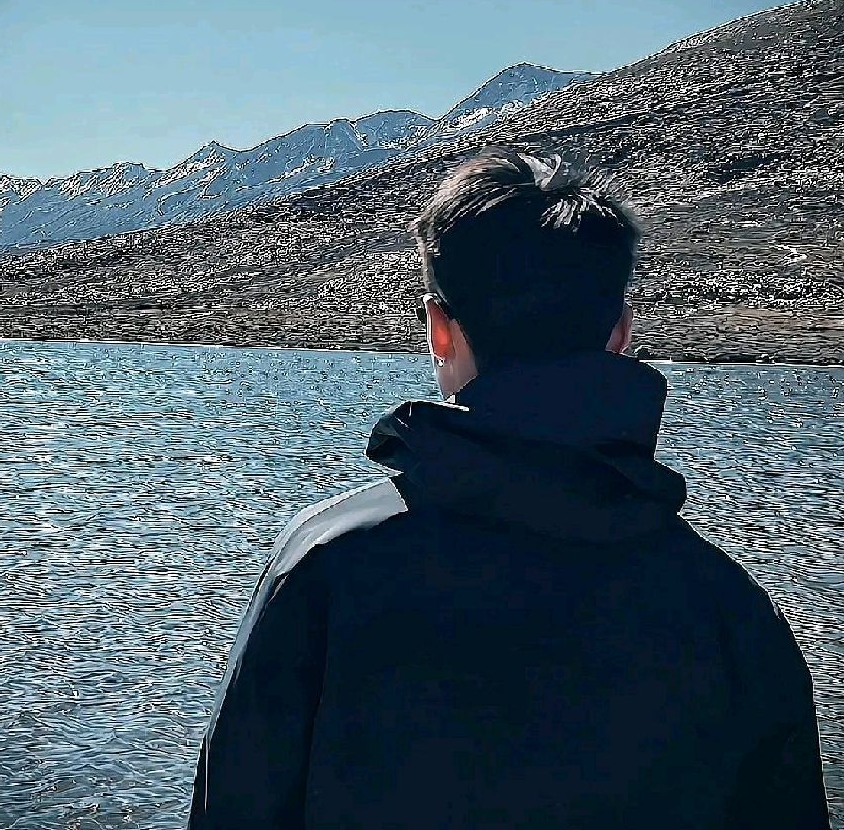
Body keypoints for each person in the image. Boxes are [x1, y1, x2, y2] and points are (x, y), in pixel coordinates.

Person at [188, 146, 830, 829]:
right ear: (620, 332)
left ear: (440, 330)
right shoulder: (727, 605)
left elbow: (235, 806)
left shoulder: (328, 561)